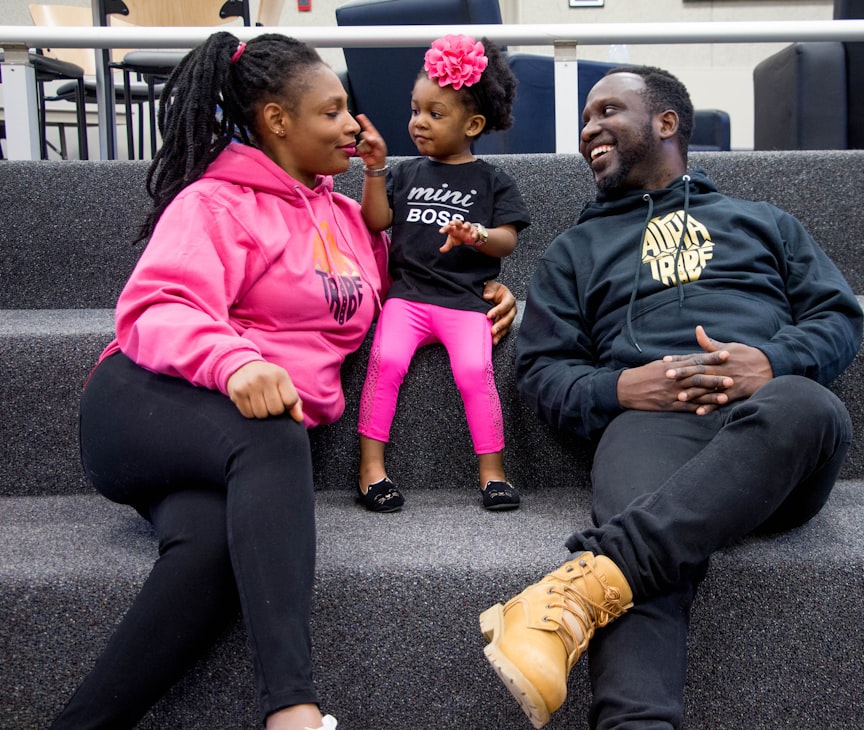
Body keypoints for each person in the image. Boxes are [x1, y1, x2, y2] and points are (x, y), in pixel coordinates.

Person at [49, 32, 516, 730]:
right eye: (331, 113)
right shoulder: (217, 204)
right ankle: (292, 711)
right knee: (276, 433)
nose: (354, 126)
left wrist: (484, 293)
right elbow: (157, 308)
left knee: (211, 553)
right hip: (143, 404)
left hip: (226, 448)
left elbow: (394, 284)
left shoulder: (343, 215)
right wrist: (237, 361)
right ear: (277, 121)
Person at [478, 65, 864, 729]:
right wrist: (623, 386)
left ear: (666, 123)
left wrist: (770, 362)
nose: (588, 129)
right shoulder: (574, 251)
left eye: (608, 111)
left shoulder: (763, 222)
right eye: (585, 119)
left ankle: (585, 585)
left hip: (770, 427)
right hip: (650, 426)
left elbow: (837, 318)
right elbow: (541, 372)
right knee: (652, 534)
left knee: (810, 406)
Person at [353, 34, 530, 513]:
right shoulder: (405, 173)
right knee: (385, 362)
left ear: (472, 123)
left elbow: (508, 239)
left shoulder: (493, 181)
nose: (419, 123)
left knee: (476, 371)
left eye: (435, 113)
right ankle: (371, 469)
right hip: (407, 298)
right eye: (415, 110)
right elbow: (376, 221)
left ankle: (493, 473)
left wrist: (477, 234)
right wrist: (374, 170)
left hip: (465, 302)